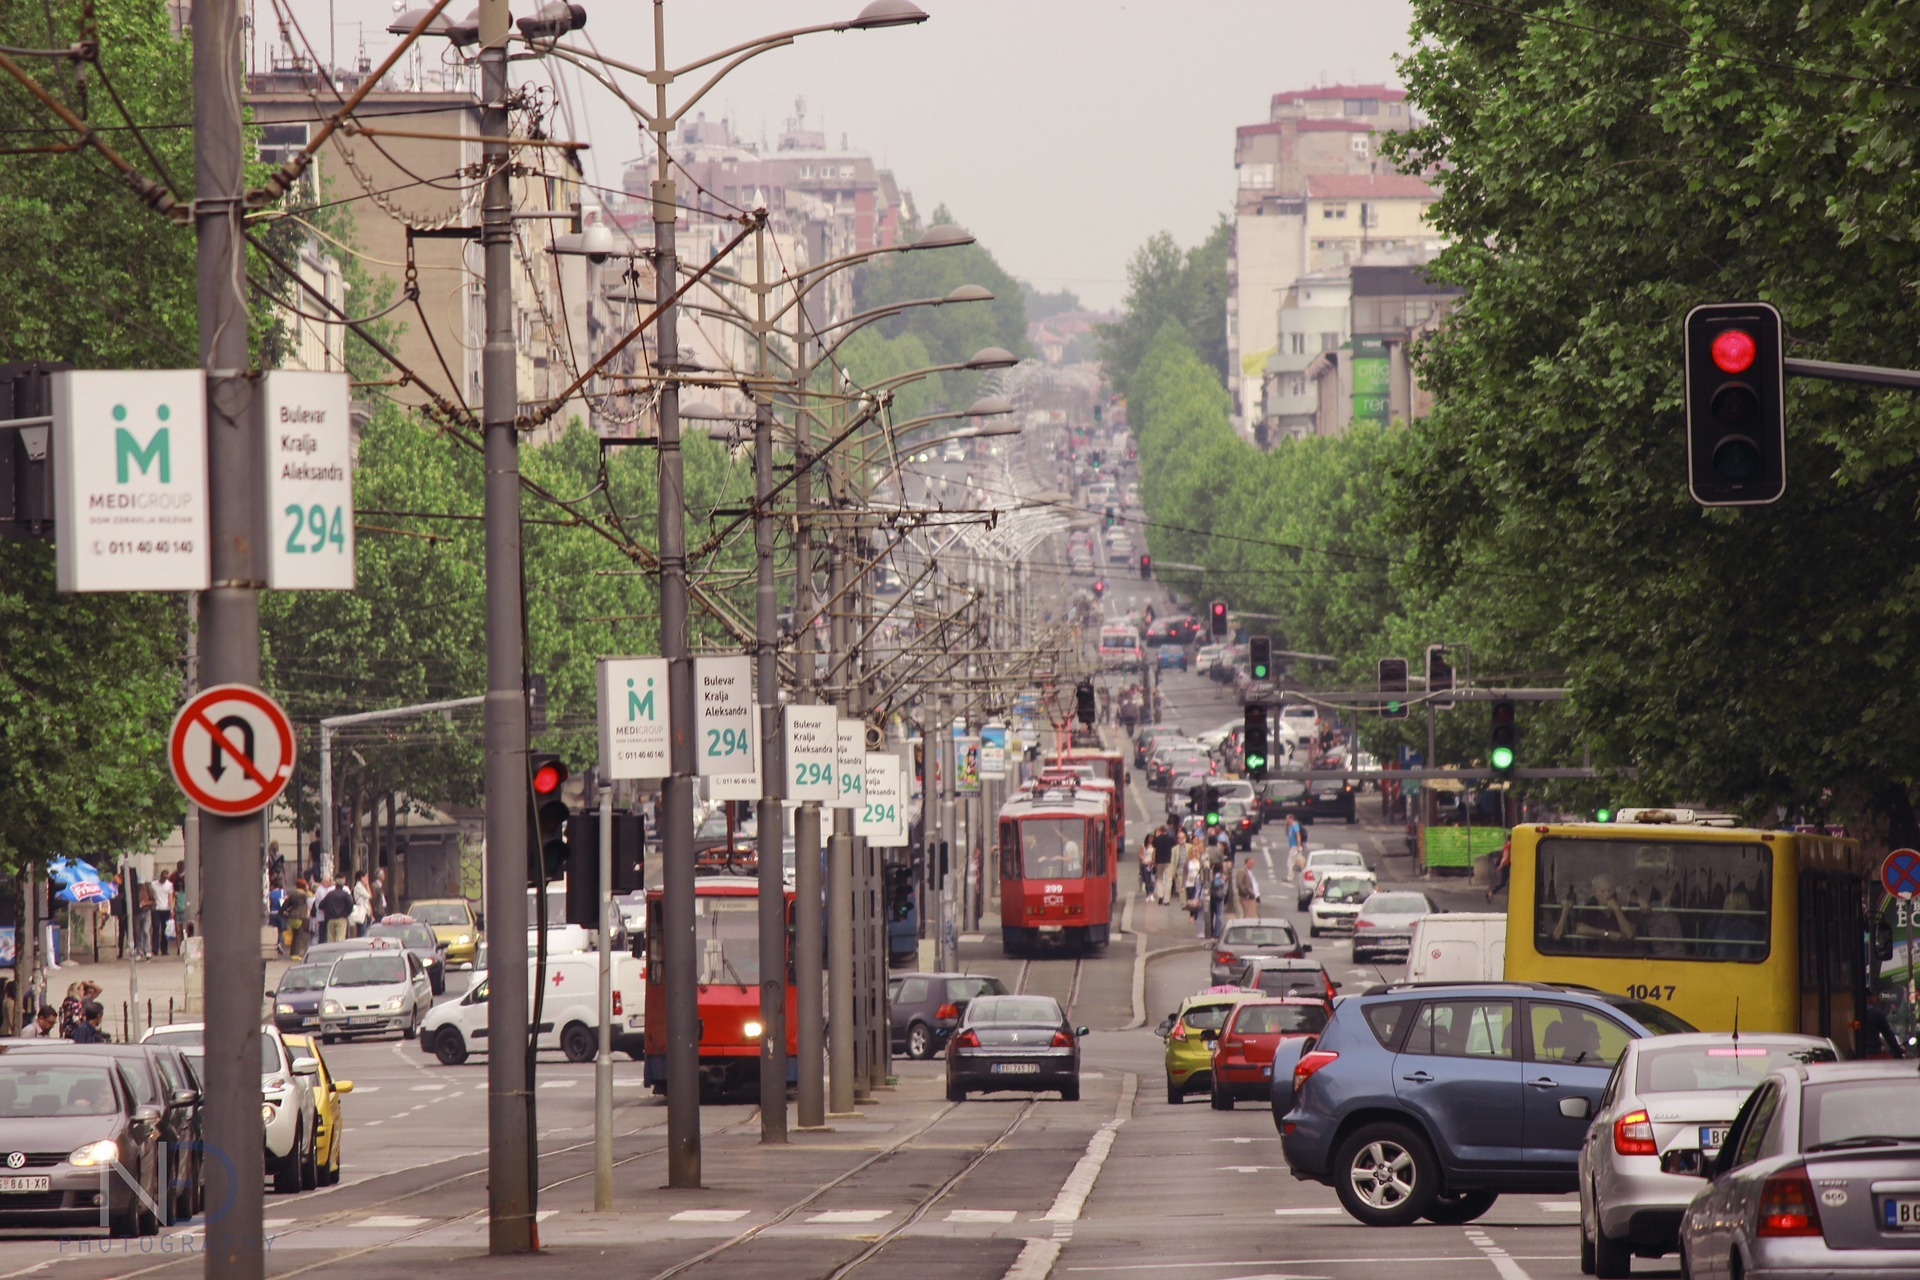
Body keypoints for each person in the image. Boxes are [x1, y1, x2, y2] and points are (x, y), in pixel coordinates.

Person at [1860, 989, 1906, 1059]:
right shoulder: (1875, 1013)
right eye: (1873, 996)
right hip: (1873, 1052)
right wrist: (1897, 1052)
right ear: (1867, 998)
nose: (1875, 998)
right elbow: (1887, 1034)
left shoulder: (1856, 1012)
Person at [284, 878, 312, 960]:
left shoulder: (293, 894)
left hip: (292, 917)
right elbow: (312, 902)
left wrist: (284, 912)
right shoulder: (305, 895)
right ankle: (296, 954)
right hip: (301, 916)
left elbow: (285, 905)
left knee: (295, 935)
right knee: (299, 935)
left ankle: (293, 953)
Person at [320, 878, 355, 943]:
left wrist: (327, 910)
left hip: (330, 918)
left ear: (335, 885)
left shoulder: (330, 894)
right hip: (341, 918)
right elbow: (350, 904)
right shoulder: (345, 894)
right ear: (343, 885)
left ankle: (331, 949)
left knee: (330, 939)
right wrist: (347, 913)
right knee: (340, 938)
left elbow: (321, 905)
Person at [1150, 821, 1176, 905]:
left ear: (1160, 830)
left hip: (1159, 861)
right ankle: (1166, 899)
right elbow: (1173, 846)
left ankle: (1160, 896)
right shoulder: (1171, 839)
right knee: (1168, 879)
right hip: (1168, 860)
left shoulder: (1157, 839)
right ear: (1167, 830)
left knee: (1159, 878)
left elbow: (1154, 846)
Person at [151, 871, 175, 956]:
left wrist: (171, 909)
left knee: (165, 929)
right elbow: (151, 895)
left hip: (166, 909)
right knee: (156, 928)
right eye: (164, 878)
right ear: (160, 876)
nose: (165, 879)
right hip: (156, 909)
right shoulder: (154, 884)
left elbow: (170, 897)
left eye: (166, 878)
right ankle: (155, 949)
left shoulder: (169, 885)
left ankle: (164, 949)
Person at [135, 878, 155, 960]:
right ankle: (140, 952)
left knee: (146, 931)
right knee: (138, 932)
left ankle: (147, 951)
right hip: (137, 913)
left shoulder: (148, 889)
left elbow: (153, 901)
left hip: (146, 911)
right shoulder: (135, 890)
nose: (141, 886)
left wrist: (145, 903)